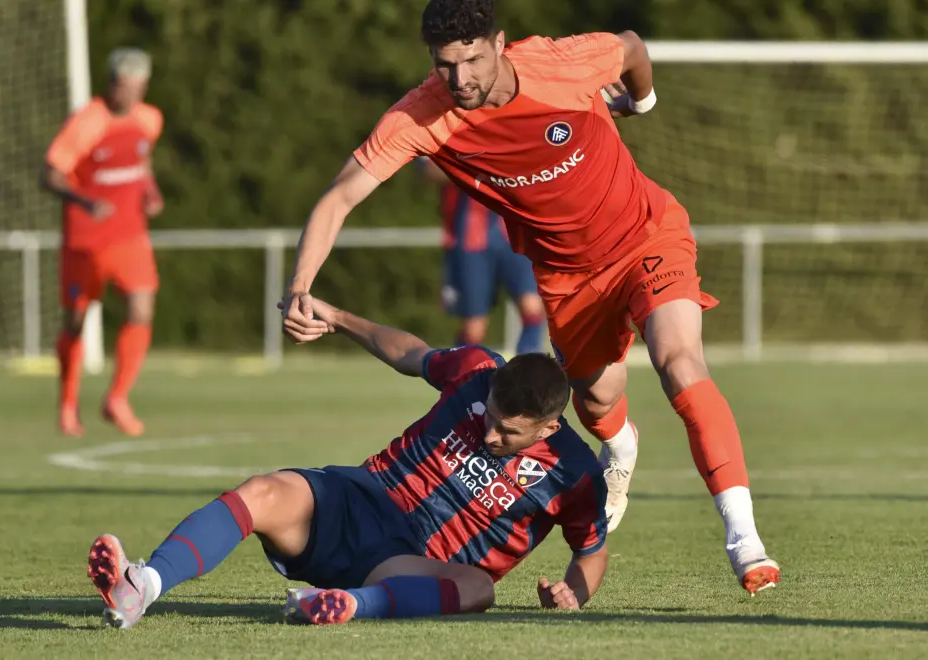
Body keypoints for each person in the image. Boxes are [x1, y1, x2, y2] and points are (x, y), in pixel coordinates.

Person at [279, 0, 779, 594]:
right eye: (444, 65)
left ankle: (745, 540)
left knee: (680, 362)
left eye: (470, 60)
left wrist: (641, 103)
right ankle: (620, 443)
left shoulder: (560, 64)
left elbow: (633, 46)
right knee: (596, 403)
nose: (459, 79)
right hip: (568, 280)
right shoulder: (421, 117)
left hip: (649, 236)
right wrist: (299, 286)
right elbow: (340, 196)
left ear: (499, 43)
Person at [86, 298, 610, 628]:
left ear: (547, 426)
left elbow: (591, 552)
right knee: (264, 490)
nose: (490, 433)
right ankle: (142, 586)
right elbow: (412, 353)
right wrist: (337, 317)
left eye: (508, 432)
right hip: (364, 495)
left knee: (479, 589)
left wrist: (574, 593)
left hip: (409, 562)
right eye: (491, 415)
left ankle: (350, 605)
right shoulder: (477, 370)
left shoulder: (574, 472)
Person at [42, 48, 164, 438]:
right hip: (86, 239)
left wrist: (150, 191)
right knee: (75, 323)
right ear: (111, 83)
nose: (129, 96)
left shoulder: (149, 119)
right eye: (123, 87)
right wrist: (84, 201)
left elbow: (141, 161)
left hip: (130, 234)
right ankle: (67, 403)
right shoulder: (87, 122)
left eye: (137, 88)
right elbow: (50, 174)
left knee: (142, 308)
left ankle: (117, 398)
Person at [419, 157, 545, 353]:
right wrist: (473, 167)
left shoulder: (511, 130)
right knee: (474, 328)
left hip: (512, 236)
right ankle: (463, 375)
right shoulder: (444, 132)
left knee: (533, 308)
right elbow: (428, 171)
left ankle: (527, 371)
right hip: (470, 241)